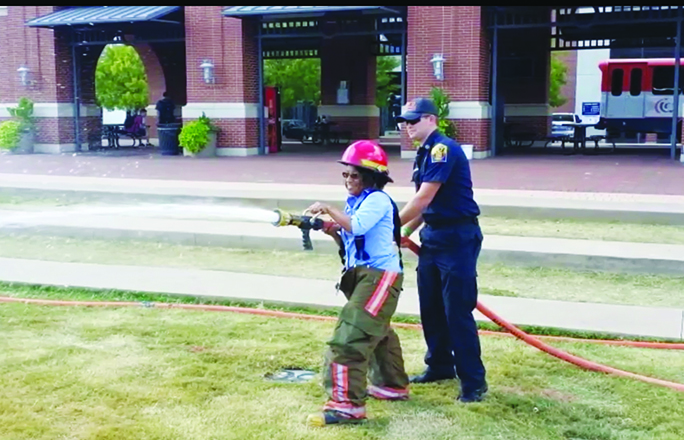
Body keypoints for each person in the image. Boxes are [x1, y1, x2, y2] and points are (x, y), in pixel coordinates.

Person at [305, 140, 410, 427]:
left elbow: (358, 226)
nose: (349, 180)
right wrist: (330, 229)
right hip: (364, 275)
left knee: (350, 336)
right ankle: (392, 385)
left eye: (355, 175)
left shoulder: (376, 199)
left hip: (379, 276)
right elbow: (351, 235)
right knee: (378, 331)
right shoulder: (358, 202)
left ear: (371, 177)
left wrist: (327, 209)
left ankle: (346, 406)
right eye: (346, 175)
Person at [395, 97, 488, 403]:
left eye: (414, 120)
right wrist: (406, 231)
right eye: (405, 121)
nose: (408, 126)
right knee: (431, 307)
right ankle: (439, 366)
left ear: (432, 119)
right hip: (434, 237)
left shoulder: (442, 149)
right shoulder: (423, 153)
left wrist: (389, 226)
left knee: (456, 311)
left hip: (458, 237)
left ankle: (473, 382)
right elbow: (428, 205)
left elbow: (423, 198)